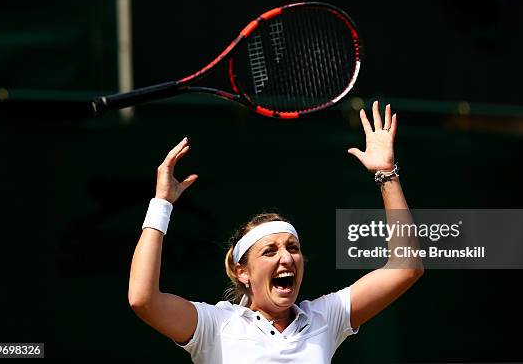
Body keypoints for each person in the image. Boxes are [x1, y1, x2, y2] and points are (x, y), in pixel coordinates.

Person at [128, 101, 424, 363]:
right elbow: (143, 299)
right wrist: (161, 204)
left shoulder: (324, 318)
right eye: (270, 251)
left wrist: (386, 174)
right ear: (241, 271)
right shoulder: (215, 325)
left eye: (292, 248)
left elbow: (406, 268)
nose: (286, 257)